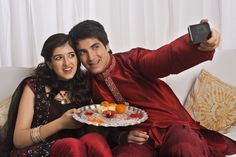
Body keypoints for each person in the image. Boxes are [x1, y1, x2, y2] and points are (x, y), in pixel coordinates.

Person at [69, 19, 236, 157]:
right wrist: (123, 136)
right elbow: (99, 128)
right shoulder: (85, 85)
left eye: (95, 47)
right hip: (139, 141)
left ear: (106, 45)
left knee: (184, 147)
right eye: (83, 52)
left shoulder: (132, 61)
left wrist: (199, 42)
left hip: (172, 127)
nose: (91, 57)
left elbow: (166, 57)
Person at [0, 33, 112, 157]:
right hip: (41, 150)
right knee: (72, 145)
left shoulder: (86, 82)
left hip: (79, 148)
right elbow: (19, 140)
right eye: (59, 58)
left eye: (71, 55)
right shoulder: (35, 86)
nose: (67, 63)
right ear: (49, 63)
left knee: (95, 140)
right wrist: (60, 123)